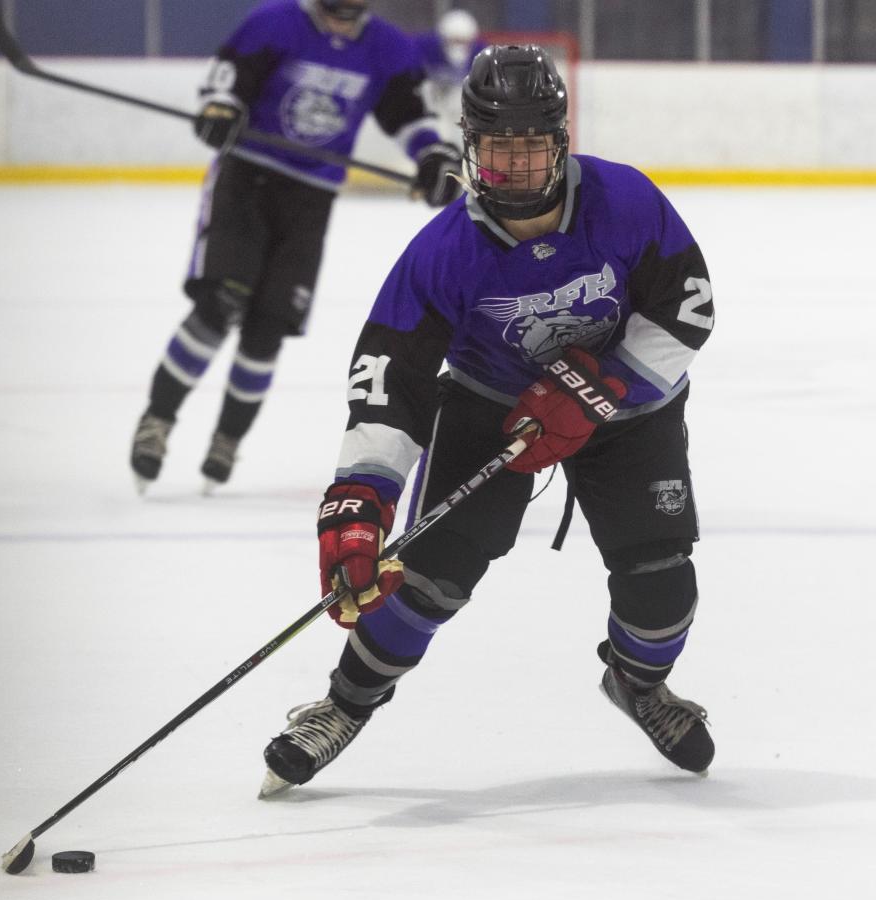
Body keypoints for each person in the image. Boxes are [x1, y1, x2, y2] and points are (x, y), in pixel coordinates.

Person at [259, 44, 716, 798]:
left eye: (532, 150)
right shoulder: (443, 251)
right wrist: (360, 498)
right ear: (471, 148)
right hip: (494, 409)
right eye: (498, 152)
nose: (516, 169)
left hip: (630, 410)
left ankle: (640, 684)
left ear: (561, 142)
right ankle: (342, 705)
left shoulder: (626, 200)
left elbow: (689, 306)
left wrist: (601, 385)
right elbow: (389, 384)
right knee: (429, 578)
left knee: (662, 584)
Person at [130, 0, 463, 493]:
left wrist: (434, 156)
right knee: (219, 306)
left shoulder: (386, 48)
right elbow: (227, 83)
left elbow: (409, 116)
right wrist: (221, 109)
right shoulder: (274, 23)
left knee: (269, 326)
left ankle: (227, 437)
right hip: (247, 180)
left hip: (311, 200)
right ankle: (157, 421)